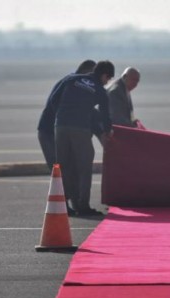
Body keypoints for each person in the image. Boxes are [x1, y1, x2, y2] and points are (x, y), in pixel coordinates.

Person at [49, 60, 115, 216]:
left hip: (61, 127)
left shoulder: (71, 79)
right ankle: (82, 205)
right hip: (80, 128)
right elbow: (105, 115)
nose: (107, 82)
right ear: (105, 75)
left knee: (62, 166)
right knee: (84, 168)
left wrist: (62, 116)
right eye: (109, 79)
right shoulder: (99, 90)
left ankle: (62, 203)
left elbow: (53, 100)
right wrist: (107, 131)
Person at [37, 60, 96, 170]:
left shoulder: (72, 83)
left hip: (60, 132)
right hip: (50, 133)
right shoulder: (72, 83)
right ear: (86, 72)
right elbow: (55, 104)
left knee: (68, 172)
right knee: (59, 172)